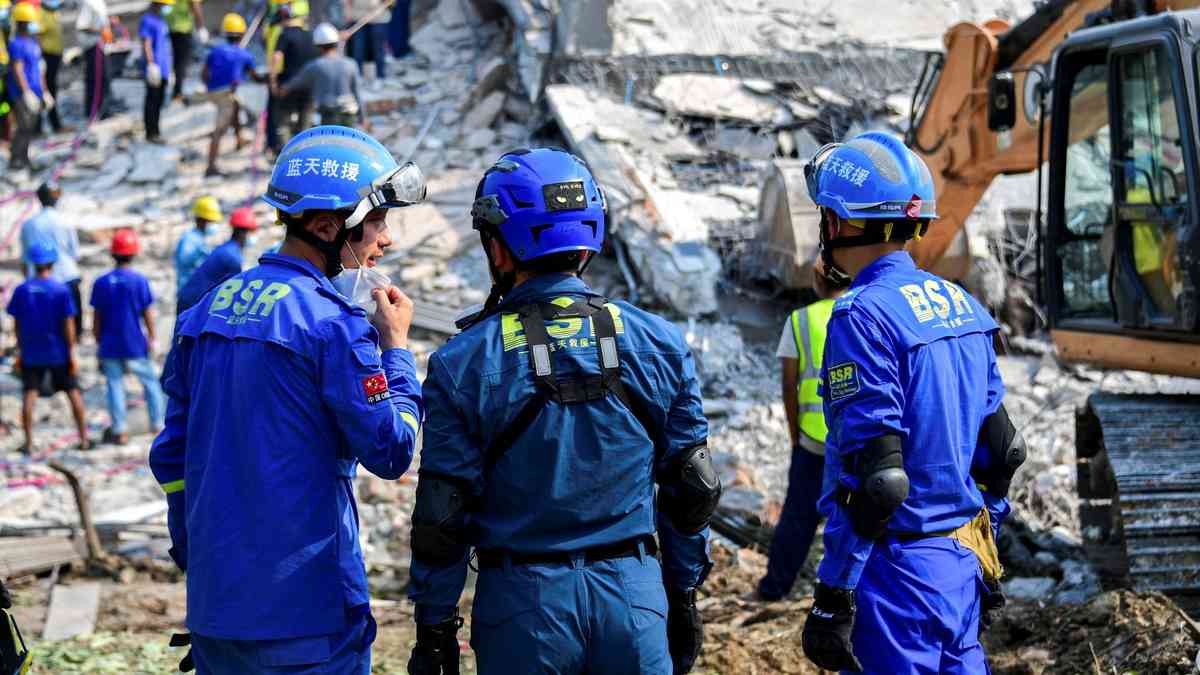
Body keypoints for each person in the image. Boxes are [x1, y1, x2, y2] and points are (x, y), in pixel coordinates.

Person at [407, 148, 719, 675]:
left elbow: (442, 516)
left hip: (524, 612)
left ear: (498, 250)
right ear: (588, 240)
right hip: (634, 602)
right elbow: (693, 489)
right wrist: (683, 597)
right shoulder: (660, 342)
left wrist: (435, 628)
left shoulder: (462, 361)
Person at [148, 124, 425, 673]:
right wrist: (395, 350)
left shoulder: (204, 314)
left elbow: (171, 457)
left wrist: (196, 555)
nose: (385, 239)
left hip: (217, 612)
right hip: (308, 618)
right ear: (326, 226)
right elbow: (392, 451)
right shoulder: (334, 327)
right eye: (376, 222)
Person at [798, 132, 1024, 674]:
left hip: (896, 576)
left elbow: (878, 479)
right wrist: (981, 547)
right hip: (961, 561)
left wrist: (834, 594)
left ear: (839, 223)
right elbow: (1003, 450)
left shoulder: (861, 316)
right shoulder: (961, 303)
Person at [755, 256, 847, 602]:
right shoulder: (865, 312)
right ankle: (847, 594)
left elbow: (789, 385)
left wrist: (795, 437)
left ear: (817, 279)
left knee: (797, 521)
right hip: (855, 442)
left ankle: (774, 589)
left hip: (812, 442)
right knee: (857, 520)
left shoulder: (800, 321)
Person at [7, 241, 90, 454]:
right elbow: (68, 324)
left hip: (32, 351)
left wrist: (20, 346)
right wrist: (71, 351)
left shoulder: (22, 290)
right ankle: (83, 438)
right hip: (58, 351)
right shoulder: (61, 290)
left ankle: (28, 442)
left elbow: (16, 323)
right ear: (52, 263)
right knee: (73, 392)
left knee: (29, 394)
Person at [91, 229, 166, 445]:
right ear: (133, 254)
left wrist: (98, 340)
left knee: (115, 386)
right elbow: (147, 313)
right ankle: (157, 425)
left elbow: (97, 316)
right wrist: (153, 337)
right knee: (150, 383)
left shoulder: (102, 282)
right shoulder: (139, 281)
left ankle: (120, 430)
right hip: (134, 341)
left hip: (110, 342)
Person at [201, 13, 262, 177]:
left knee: (236, 107)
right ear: (241, 34)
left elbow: (204, 73)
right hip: (226, 94)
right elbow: (255, 76)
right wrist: (266, 79)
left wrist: (209, 87)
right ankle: (210, 167)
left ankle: (239, 140)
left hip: (214, 91)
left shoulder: (215, 51)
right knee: (219, 130)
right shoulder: (244, 54)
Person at [19, 181, 82, 335]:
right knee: (70, 320)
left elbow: (25, 258)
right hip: (66, 276)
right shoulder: (65, 221)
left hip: (38, 278)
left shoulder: (28, 224)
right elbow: (75, 253)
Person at [279, 23, 364, 129]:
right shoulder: (350, 64)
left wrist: (281, 89)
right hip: (349, 115)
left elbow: (296, 82)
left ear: (318, 46)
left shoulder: (315, 66)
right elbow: (357, 93)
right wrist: (363, 119)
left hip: (327, 115)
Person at [175, 206, 258, 313]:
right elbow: (233, 293)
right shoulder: (233, 257)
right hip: (194, 306)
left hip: (190, 301)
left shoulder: (225, 248)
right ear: (244, 233)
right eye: (252, 232)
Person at [6, 2, 50, 172]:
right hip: (22, 94)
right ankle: (16, 159)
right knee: (23, 127)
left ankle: (24, 159)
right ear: (23, 23)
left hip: (35, 91)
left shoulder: (33, 43)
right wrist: (25, 92)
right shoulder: (16, 44)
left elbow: (40, 69)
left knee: (30, 127)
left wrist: (45, 92)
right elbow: (18, 69)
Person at [268, 0, 316, 153]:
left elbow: (277, 57)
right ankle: (305, 153)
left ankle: (287, 155)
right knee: (305, 124)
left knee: (283, 123)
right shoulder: (310, 35)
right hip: (307, 86)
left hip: (288, 84)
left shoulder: (284, 35)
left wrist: (273, 80)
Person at [140, 0, 174, 143]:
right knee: (152, 100)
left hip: (164, 67)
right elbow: (146, 43)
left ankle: (156, 131)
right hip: (155, 68)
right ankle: (151, 133)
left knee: (159, 100)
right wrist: (151, 64)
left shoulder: (161, 20)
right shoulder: (147, 20)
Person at [175, 195, 219, 295]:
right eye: (212, 221)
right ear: (202, 220)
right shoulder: (189, 239)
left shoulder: (199, 238)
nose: (214, 225)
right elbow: (185, 261)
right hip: (189, 293)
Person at [76, 0, 113, 120]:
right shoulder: (88, 3)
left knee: (104, 79)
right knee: (95, 79)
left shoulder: (100, 3)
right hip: (93, 46)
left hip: (101, 46)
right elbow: (82, 26)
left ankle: (104, 110)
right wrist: (100, 31)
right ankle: (93, 111)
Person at [37, 0, 68, 133]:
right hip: (46, 57)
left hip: (54, 57)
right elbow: (37, 36)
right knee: (46, 91)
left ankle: (54, 123)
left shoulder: (53, 12)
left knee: (52, 90)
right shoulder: (42, 14)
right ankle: (48, 125)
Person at [166, 0, 204, 102]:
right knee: (182, 62)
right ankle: (177, 93)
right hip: (183, 29)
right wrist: (201, 27)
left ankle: (176, 91)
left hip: (170, 27)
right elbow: (195, 6)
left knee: (177, 62)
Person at [343, 0, 387, 82]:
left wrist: (381, 8)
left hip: (377, 18)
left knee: (378, 50)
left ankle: (380, 77)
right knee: (358, 49)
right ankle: (358, 78)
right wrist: (347, 11)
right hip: (357, 18)